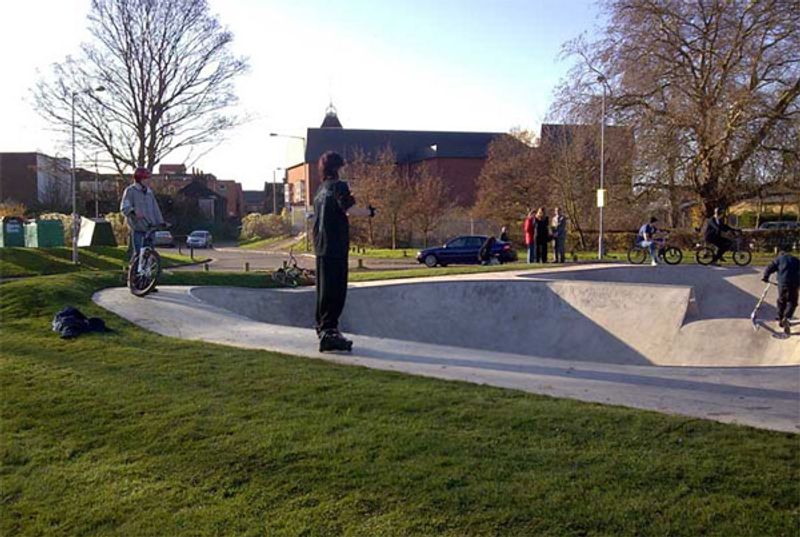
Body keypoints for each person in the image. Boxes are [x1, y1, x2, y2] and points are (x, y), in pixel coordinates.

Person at [312, 150, 374, 352]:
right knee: (337, 291)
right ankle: (330, 332)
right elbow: (349, 209)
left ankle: (324, 328)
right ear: (337, 168)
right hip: (335, 246)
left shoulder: (320, 190)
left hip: (321, 246)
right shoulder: (339, 186)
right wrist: (370, 212)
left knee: (324, 289)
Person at [120, 167, 165, 260]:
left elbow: (155, 208)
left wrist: (161, 222)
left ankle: (147, 272)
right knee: (138, 254)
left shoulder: (149, 192)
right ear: (139, 179)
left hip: (150, 227)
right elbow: (124, 207)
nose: (148, 181)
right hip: (138, 227)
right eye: (146, 179)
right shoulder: (130, 191)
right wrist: (133, 211)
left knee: (149, 254)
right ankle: (134, 272)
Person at [763, 251, 800, 336]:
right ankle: (786, 318)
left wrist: (765, 277)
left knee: (781, 301)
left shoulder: (778, 259)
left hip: (782, 284)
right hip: (794, 284)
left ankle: (780, 318)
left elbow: (769, 268)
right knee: (792, 302)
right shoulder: (796, 260)